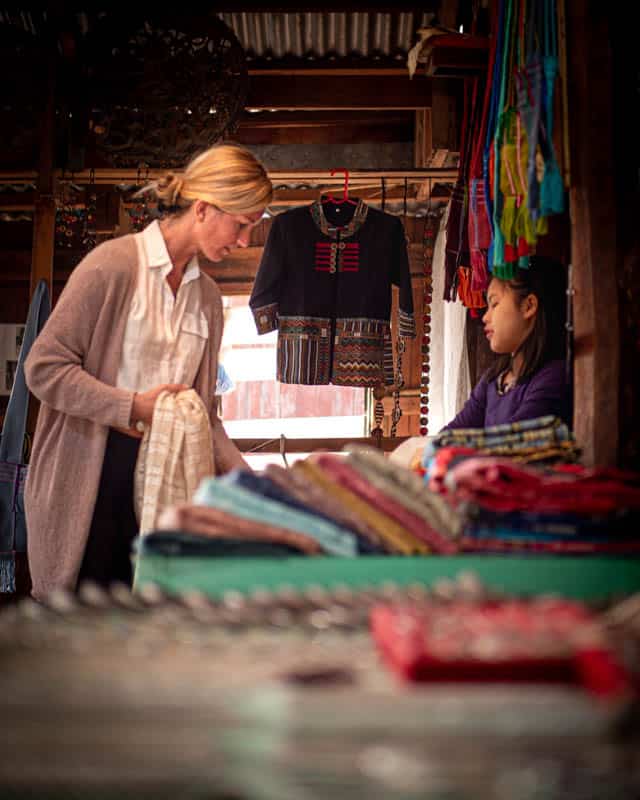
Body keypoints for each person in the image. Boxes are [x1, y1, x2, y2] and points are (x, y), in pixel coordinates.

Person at [24, 143, 272, 599]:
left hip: (167, 481)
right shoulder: (112, 267)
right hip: (91, 478)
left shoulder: (208, 299)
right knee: (87, 633)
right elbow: (43, 368)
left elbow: (205, 416)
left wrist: (250, 480)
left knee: (151, 629)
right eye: (241, 225)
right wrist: (132, 405)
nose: (243, 241)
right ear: (203, 208)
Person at [443, 256, 571, 430]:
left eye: (494, 304)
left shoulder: (554, 378)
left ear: (528, 306)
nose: (485, 317)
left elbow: (509, 443)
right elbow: (450, 435)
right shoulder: (493, 379)